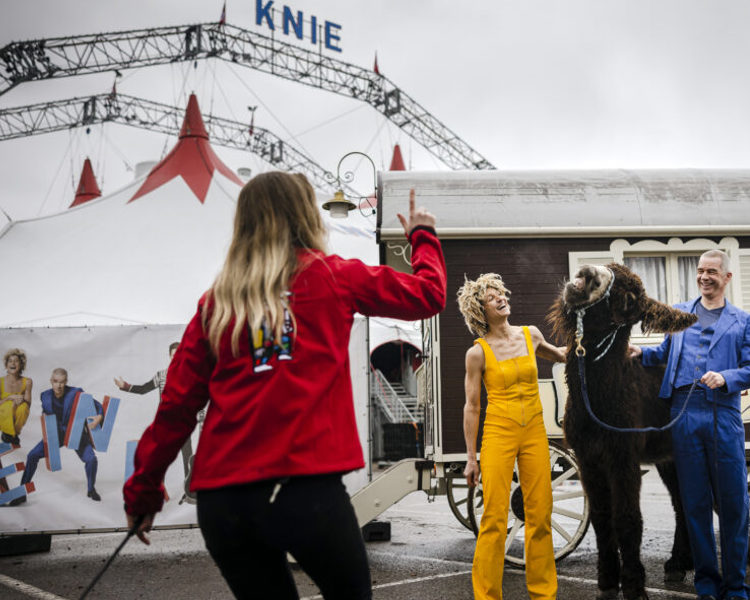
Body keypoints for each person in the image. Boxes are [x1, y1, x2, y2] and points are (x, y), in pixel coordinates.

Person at [123, 172, 445, 600]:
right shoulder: (334, 276)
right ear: (306, 215)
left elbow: (177, 406)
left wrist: (143, 492)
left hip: (225, 500)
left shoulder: (218, 301)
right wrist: (422, 236)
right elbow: (427, 294)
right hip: (305, 491)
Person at [628, 249, 750, 600]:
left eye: (712, 271)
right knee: (695, 504)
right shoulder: (681, 313)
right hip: (682, 414)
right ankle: (706, 584)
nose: (704, 276)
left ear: (726, 277)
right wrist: (640, 353)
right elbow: (664, 353)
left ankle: (736, 587)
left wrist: (727, 376)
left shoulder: (744, 320)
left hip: (723, 412)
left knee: (732, 503)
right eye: (701, 271)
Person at [458, 273, 565, 600]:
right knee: (493, 517)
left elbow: (559, 355)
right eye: (492, 298)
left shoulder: (530, 335)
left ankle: (544, 593)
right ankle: (487, 596)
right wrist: (471, 458)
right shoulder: (477, 353)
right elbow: (472, 407)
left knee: (540, 514)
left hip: (534, 430)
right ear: (481, 310)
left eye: (501, 293)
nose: (501, 298)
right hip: (498, 433)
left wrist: (601, 343)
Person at [114, 341, 199, 502]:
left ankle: (189, 492)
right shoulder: (161, 375)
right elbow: (144, 389)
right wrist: (125, 386)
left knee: (187, 456)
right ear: (169, 356)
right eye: (173, 355)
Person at [11, 368, 104, 505]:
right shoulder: (45, 396)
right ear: (51, 381)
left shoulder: (76, 393)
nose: (58, 385)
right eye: (55, 381)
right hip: (55, 436)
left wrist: (99, 417)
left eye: (61, 382)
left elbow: (97, 405)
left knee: (91, 460)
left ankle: (91, 489)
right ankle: (22, 493)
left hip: (75, 434)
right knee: (32, 455)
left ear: (66, 382)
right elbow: (46, 413)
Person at [0, 348, 32, 446]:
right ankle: (7, 432)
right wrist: (10, 398)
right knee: (9, 404)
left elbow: (28, 405)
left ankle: (13, 433)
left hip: (17, 418)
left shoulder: (27, 381)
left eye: (16, 361)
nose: (13, 363)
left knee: (23, 407)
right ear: (6, 365)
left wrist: (20, 400)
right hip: (1, 418)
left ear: (21, 365)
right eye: (10, 361)